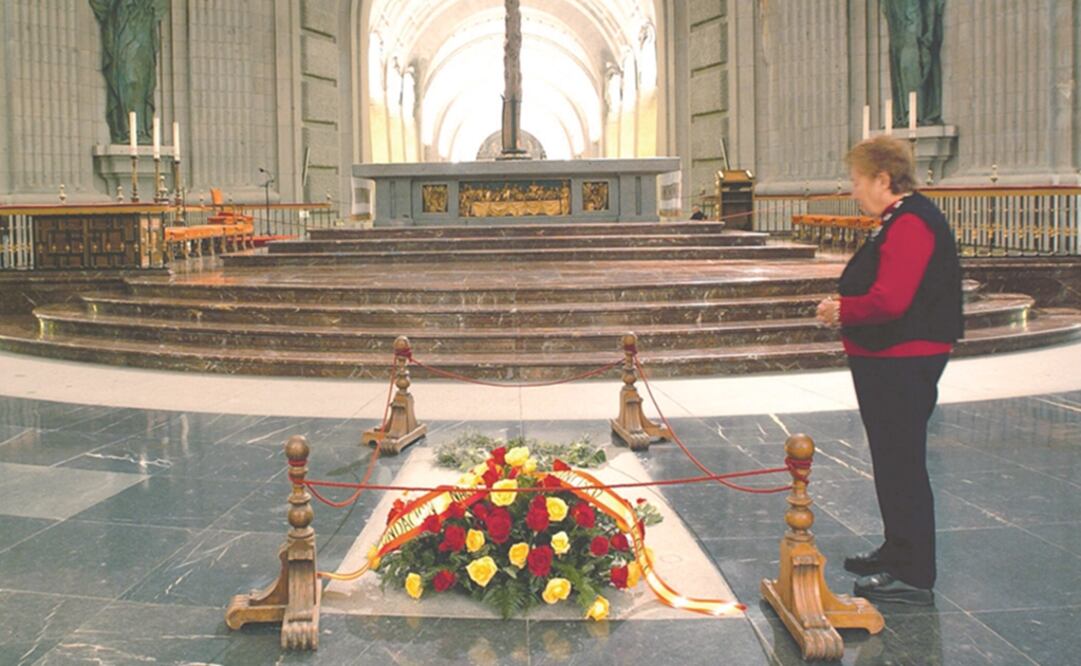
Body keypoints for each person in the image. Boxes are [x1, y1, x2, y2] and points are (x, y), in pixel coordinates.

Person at [815, 135, 963, 605]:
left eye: (858, 180)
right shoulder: (897, 219)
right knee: (891, 459)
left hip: (905, 359)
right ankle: (897, 548)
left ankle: (914, 573)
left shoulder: (912, 223)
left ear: (883, 178)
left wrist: (843, 309)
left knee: (902, 463)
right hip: (890, 359)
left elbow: (891, 299)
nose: (854, 189)